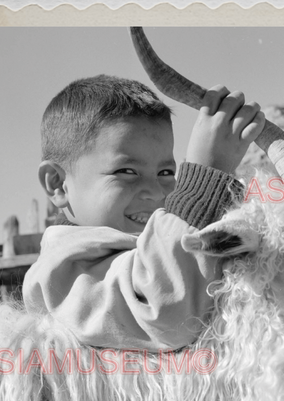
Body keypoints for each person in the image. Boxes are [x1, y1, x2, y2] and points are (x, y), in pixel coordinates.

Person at [22, 74, 265, 351]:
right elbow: (164, 314)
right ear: (58, 184)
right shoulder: (60, 272)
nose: (156, 191)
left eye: (165, 172)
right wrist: (204, 179)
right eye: (126, 172)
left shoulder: (140, 244)